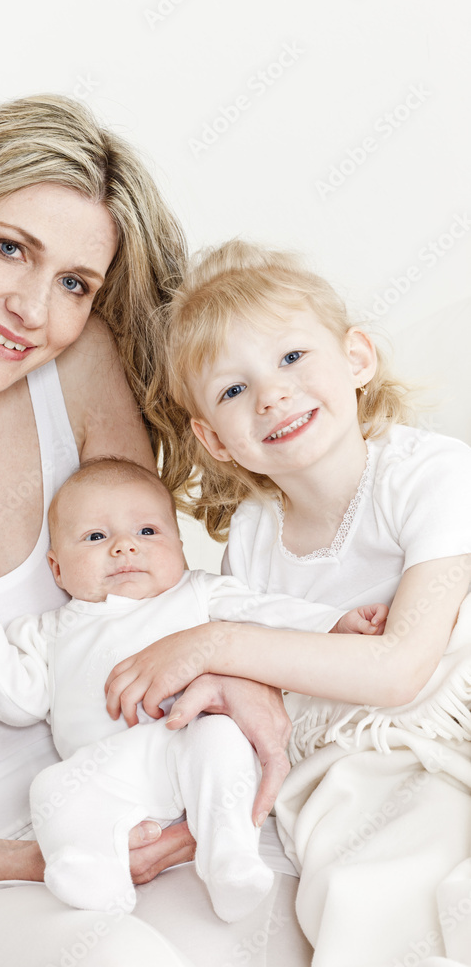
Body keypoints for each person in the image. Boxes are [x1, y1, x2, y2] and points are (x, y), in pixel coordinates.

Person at [0, 100, 309, 967]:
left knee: (334, 919)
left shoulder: (71, 369)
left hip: (159, 801)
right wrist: (46, 860)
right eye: (10, 248)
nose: (34, 310)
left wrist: (237, 677)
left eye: (75, 283)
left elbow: (162, 589)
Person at [105, 239, 471, 966]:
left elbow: (401, 670)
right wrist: (209, 814)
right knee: (358, 888)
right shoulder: (253, 535)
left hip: (444, 713)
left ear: (356, 359)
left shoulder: (427, 473)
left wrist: (215, 644)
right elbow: (263, 703)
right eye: (233, 391)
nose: (271, 394)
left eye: (292, 358)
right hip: (353, 760)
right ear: (214, 440)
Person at [0, 456, 386, 924]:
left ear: (180, 547)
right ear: (57, 569)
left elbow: (268, 615)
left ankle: (230, 860)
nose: (125, 548)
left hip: (189, 741)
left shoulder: (199, 592)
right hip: (109, 767)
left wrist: (334, 624)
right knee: (50, 788)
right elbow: (17, 702)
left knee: (222, 737)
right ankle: (94, 873)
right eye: (96, 537)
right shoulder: (52, 630)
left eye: (148, 532)